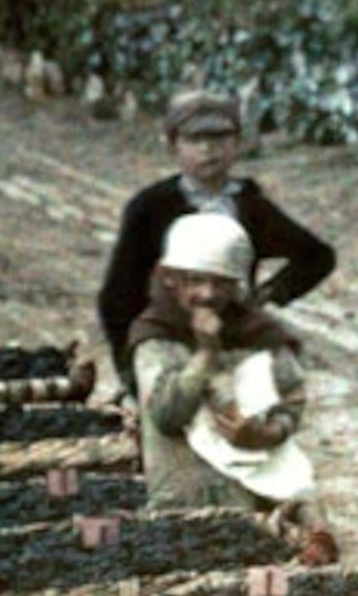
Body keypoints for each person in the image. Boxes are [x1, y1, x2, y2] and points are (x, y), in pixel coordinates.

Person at [97, 89, 336, 392]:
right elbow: (118, 296)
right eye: (194, 141)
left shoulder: (250, 205)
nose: (208, 150)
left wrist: (267, 294)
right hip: (173, 341)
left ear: (238, 143)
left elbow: (316, 256)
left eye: (220, 139)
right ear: (172, 146)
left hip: (236, 339)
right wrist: (131, 367)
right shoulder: (152, 207)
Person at [132, 214, 315, 514]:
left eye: (222, 283)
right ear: (170, 278)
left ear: (237, 286)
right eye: (195, 280)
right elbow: (166, 416)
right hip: (184, 495)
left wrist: (265, 434)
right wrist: (205, 354)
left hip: (260, 488)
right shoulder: (156, 337)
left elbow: (291, 401)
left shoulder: (259, 333)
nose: (208, 293)